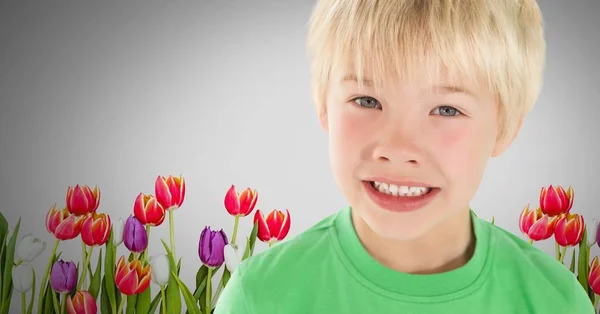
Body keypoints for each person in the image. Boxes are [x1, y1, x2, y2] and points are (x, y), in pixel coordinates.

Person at [214, 0, 595, 313]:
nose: (398, 149)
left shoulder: (555, 301)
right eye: (367, 100)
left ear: (505, 128)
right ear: (324, 109)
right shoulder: (258, 297)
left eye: (446, 109)